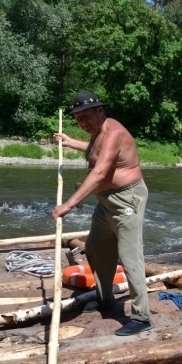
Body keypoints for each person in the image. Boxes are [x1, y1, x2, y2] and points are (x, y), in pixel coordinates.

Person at [52, 90, 152, 337]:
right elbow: (96, 151)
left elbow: (98, 172)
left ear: (100, 110)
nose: (83, 122)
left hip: (126, 200)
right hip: (105, 203)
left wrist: (69, 205)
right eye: (78, 119)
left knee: (130, 258)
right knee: (96, 248)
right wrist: (71, 142)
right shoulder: (98, 134)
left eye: (87, 116)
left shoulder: (114, 131)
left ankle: (142, 317)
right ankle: (105, 299)